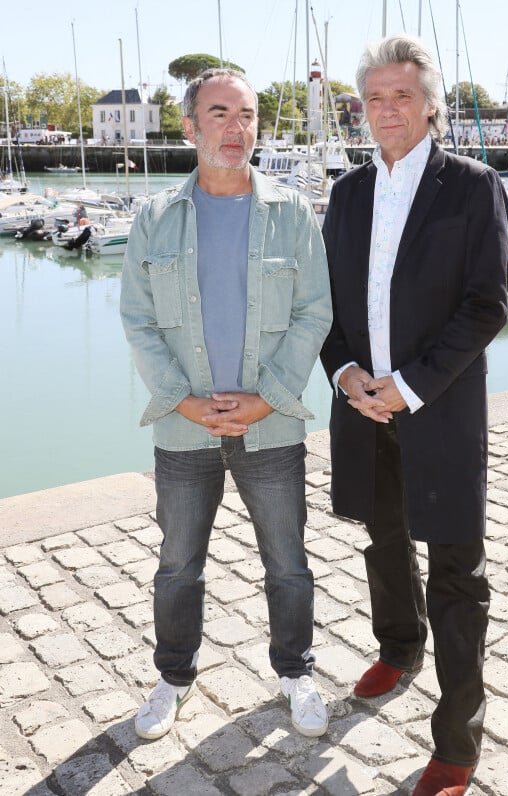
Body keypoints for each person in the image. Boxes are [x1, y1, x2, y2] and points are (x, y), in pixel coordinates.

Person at [320, 36, 508, 796]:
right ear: (361, 110)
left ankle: (457, 742)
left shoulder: (472, 185)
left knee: (458, 574)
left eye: (401, 95)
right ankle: (399, 646)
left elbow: (487, 304)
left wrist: (410, 386)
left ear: (429, 103)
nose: (387, 109)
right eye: (374, 97)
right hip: (365, 409)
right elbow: (327, 308)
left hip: (439, 410)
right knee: (383, 536)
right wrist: (346, 374)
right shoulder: (346, 193)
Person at [120, 68, 332, 742]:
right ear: (189, 127)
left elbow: (314, 313)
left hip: (270, 430)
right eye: (219, 113)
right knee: (178, 565)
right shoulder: (153, 219)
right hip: (185, 433)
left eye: (246, 115)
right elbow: (138, 321)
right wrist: (182, 402)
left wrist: (268, 400)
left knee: (288, 563)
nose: (236, 128)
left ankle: (295, 673)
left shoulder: (293, 214)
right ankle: (174, 679)